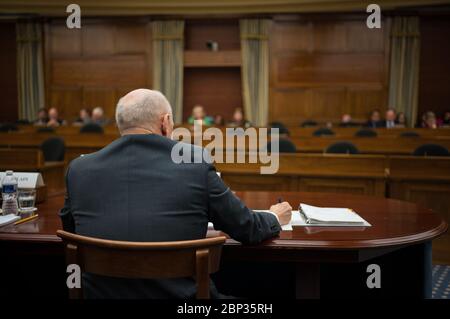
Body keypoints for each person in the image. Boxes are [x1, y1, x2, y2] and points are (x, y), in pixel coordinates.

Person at [59, 89, 292, 298]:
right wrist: (274, 217)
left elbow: (71, 231)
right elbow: (245, 227)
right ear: (166, 122)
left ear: (121, 124)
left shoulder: (79, 170)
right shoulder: (194, 163)